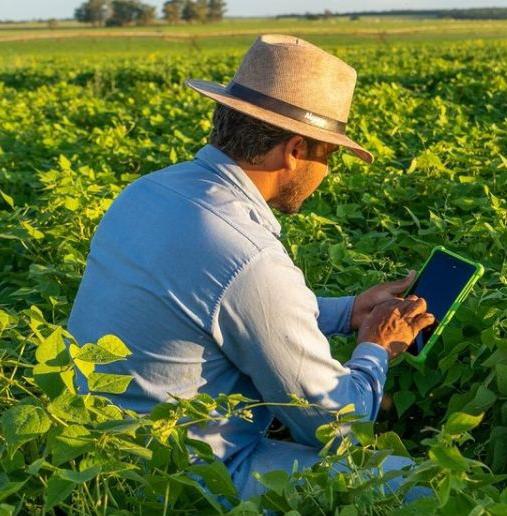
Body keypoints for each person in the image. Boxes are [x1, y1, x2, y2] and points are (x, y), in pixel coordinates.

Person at [67, 34, 435, 500]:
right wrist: (375, 347)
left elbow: (218, 306)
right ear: (295, 151)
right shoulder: (249, 256)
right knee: (420, 486)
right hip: (180, 476)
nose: (326, 173)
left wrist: (348, 312)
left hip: (91, 449)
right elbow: (337, 426)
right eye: (328, 156)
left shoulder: (148, 191)